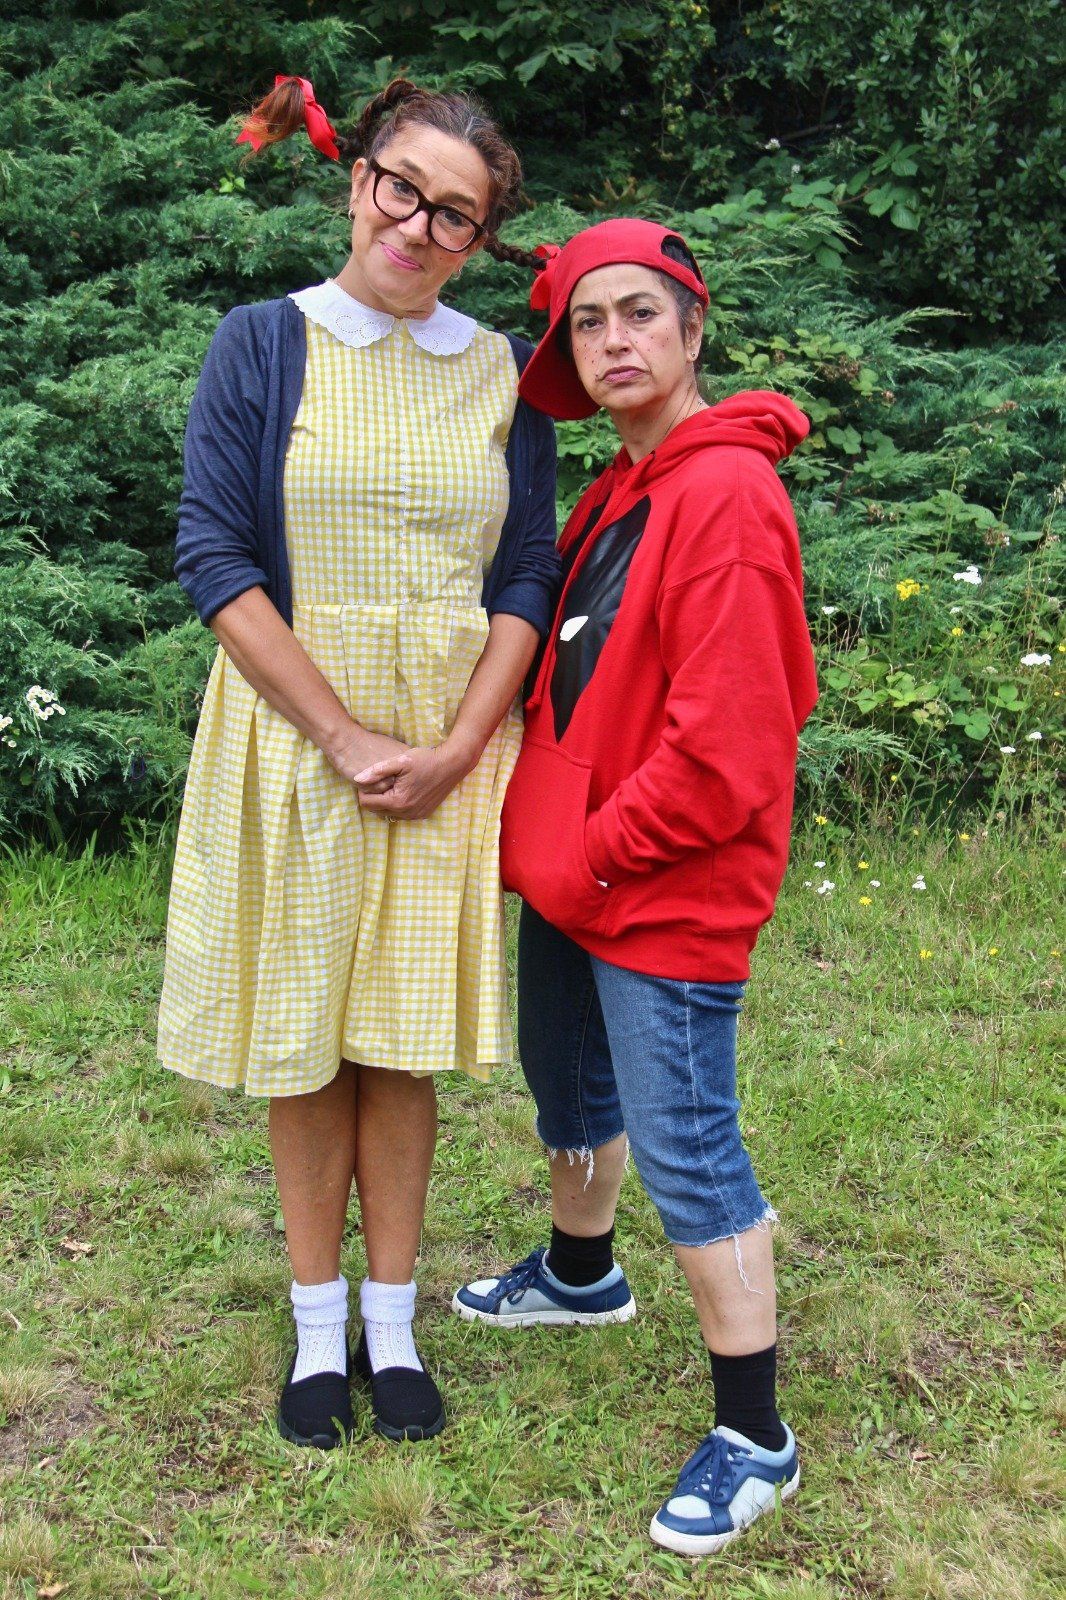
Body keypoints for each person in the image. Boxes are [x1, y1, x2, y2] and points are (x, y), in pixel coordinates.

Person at [157, 74, 559, 1449]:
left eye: (456, 214)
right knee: (307, 1043)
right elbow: (211, 554)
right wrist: (343, 732)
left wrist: (455, 745)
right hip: (296, 737)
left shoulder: (507, 372)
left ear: (477, 236)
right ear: (358, 176)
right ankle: (315, 1330)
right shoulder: (260, 346)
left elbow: (527, 573)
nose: (419, 224)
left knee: (397, 1046)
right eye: (405, 186)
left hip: (451, 746)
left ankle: (394, 1326)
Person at [453, 219, 818, 1555]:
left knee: (686, 1145)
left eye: (636, 316)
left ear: (690, 329)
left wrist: (589, 850)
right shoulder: (630, 482)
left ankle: (753, 1436)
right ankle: (578, 1274)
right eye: (586, 324)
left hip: (657, 888)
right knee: (571, 1089)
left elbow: (726, 753)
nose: (611, 342)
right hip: (577, 871)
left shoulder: (722, 497)